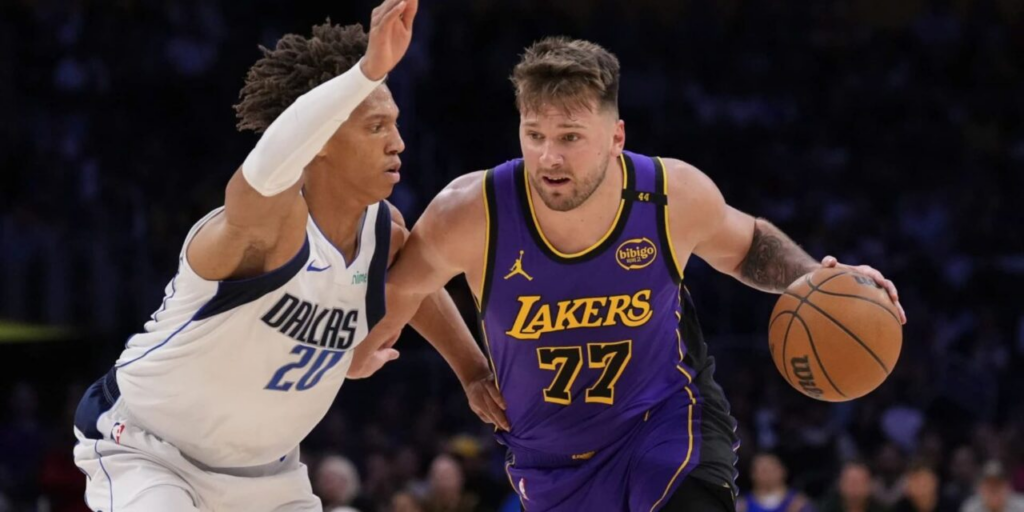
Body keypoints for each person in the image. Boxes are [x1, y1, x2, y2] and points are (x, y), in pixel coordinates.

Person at [358, 36, 905, 511]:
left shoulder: (669, 195)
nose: (549, 157)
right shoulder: (469, 212)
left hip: (665, 423)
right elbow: (405, 287)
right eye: (534, 135)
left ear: (616, 137)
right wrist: (467, 368)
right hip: (548, 457)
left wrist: (816, 278)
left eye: (570, 137)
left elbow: (748, 247)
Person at [71, 1, 480, 510]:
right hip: (150, 452)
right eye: (376, 126)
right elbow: (265, 168)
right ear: (321, 139)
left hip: (269, 476)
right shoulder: (265, 226)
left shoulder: (385, 233)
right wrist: (365, 72)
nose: (398, 142)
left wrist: (474, 373)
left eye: (395, 124)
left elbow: (417, 281)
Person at [738, 453, 815, 512]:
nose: (768, 474)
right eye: (763, 471)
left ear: (783, 471)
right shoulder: (742, 506)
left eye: (771, 470)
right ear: (752, 474)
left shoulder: (799, 503)